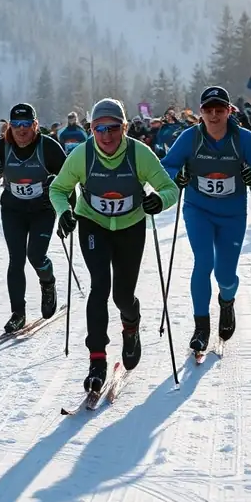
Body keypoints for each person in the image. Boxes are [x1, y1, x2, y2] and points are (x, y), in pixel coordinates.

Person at [49, 98, 178, 392]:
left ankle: (131, 326)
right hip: (93, 223)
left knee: (123, 295)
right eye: (99, 128)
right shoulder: (82, 155)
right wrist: (65, 212)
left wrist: (159, 201)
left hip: (131, 226)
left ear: (125, 127)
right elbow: (58, 189)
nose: (106, 136)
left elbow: (169, 188)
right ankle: (97, 360)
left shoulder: (139, 154)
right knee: (99, 286)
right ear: (90, 129)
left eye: (113, 128)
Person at [161, 86, 251, 353]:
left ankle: (227, 301)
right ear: (200, 113)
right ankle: (201, 327)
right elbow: (167, 165)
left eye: (219, 110)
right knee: (203, 262)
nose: (214, 115)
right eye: (208, 110)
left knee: (225, 274)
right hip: (197, 209)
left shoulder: (243, 138)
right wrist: (176, 175)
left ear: (228, 111)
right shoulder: (190, 137)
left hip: (232, 214)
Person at [0, 103, 67, 332]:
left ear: (35, 125)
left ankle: (48, 283)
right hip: (13, 209)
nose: (21, 130)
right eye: (16, 125)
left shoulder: (49, 147)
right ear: (10, 126)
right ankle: (18, 313)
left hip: (43, 209)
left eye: (27, 124)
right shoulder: (2, 147)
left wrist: (67, 211)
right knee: (16, 259)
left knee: (35, 255)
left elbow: (69, 180)